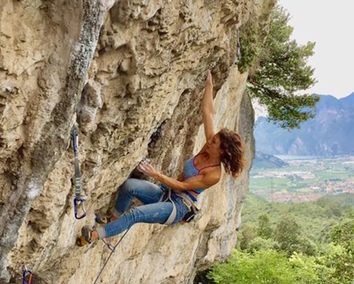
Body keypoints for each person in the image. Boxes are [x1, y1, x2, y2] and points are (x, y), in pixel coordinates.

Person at [77, 70, 246, 245]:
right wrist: (209, 85)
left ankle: (94, 235)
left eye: (215, 141)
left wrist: (155, 174)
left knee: (135, 214)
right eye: (213, 138)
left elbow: (182, 186)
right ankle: (113, 221)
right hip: (166, 194)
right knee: (129, 186)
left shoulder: (214, 175)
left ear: (223, 151)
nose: (210, 139)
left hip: (177, 207)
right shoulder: (209, 147)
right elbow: (208, 112)